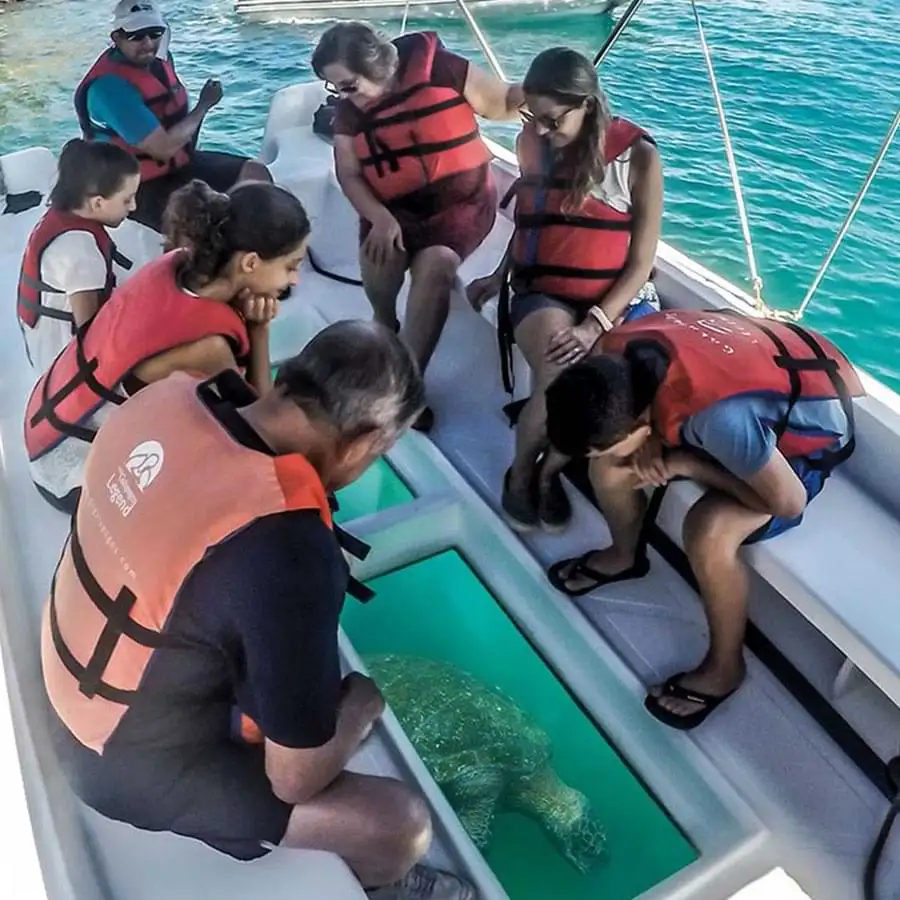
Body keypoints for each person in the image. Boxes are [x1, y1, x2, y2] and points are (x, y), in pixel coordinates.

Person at [41, 321, 473, 899]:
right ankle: (383, 886)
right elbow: (293, 778)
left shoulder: (168, 396)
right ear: (365, 439)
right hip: (115, 767)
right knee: (400, 826)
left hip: (59, 672)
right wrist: (362, 708)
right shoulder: (287, 548)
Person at [543, 309, 864, 730]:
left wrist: (688, 465)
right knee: (609, 469)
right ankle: (625, 556)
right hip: (746, 394)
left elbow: (789, 502)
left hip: (800, 452)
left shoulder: (719, 420)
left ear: (637, 424)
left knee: (707, 530)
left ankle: (726, 667)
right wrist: (657, 441)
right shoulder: (615, 351)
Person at [24, 180, 309, 514]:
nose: (294, 280)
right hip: (70, 478)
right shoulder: (207, 347)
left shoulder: (178, 264)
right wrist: (259, 331)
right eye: (291, 266)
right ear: (249, 263)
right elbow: (259, 431)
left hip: (44, 434)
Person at [467, 48, 663, 534]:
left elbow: (641, 264)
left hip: (613, 299)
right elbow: (536, 221)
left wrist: (595, 321)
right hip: (541, 291)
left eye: (552, 120)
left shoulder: (638, 158)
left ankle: (549, 473)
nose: (539, 131)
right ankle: (519, 477)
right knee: (558, 370)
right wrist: (499, 274)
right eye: (532, 116)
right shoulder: (530, 144)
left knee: (609, 391)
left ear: (588, 107)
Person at [312, 22, 524, 431]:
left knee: (437, 264)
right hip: (392, 207)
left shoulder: (445, 70)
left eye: (348, 85)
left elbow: (502, 104)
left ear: (376, 68)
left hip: (461, 204)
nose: (342, 96)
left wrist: (552, 94)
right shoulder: (349, 111)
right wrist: (380, 217)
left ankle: (406, 383)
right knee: (380, 252)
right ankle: (384, 320)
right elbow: (350, 174)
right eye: (335, 88)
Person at [74, 0, 271, 233]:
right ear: (116, 38)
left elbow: (177, 124)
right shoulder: (110, 88)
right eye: (136, 36)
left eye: (154, 33)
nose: (148, 43)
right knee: (202, 220)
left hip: (177, 166)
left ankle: (246, 245)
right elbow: (163, 148)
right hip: (135, 185)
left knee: (256, 174)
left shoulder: (158, 61)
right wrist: (204, 105)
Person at [17, 139, 140, 373]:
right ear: (97, 203)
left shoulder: (63, 214)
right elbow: (90, 337)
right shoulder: (79, 252)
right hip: (60, 362)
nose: (133, 206)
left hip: (40, 339)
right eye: (127, 199)